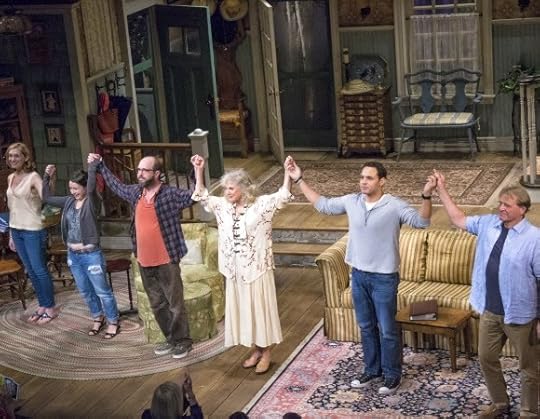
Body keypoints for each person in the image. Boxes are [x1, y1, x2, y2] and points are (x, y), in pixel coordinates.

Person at [286, 158, 437, 395]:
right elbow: (323, 205)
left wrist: (426, 195)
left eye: (369, 178)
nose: (363, 182)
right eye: (362, 177)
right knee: (366, 327)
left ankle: (392, 375)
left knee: (387, 330)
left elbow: (422, 222)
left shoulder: (394, 206)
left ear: (382, 181)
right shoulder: (352, 201)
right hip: (358, 275)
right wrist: (299, 179)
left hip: (384, 279)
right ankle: (372, 370)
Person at [433, 172, 539, 418]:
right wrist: (441, 189)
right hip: (490, 310)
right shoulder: (488, 224)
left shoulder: (535, 239)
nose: (501, 208)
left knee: (529, 366)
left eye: (507, 205)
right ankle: (500, 403)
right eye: (500, 203)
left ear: (522, 209)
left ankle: (529, 411)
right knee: (486, 357)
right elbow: (458, 219)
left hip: (521, 315)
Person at [87, 152, 203, 358]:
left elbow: (195, 196)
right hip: (144, 260)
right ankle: (171, 339)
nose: (140, 174)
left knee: (175, 305)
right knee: (157, 304)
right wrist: (101, 165)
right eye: (139, 170)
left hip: (167, 260)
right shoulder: (136, 193)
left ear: (156, 173)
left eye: (145, 170)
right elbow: (116, 186)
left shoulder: (169, 195)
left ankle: (183, 341)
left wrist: (198, 171)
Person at [191, 156, 293, 374]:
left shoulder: (261, 205)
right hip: (234, 271)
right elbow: (202, 196)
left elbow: (283, 196)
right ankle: (256, 349)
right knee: (246, 312)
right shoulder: (223, 207)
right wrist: (199, 171)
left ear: (244, 189)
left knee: (260, 312)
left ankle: (266, 352)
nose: (227, 192)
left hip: (257, 269)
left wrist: (287, 172)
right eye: (225, 188)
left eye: (231, 188)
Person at [42, 162, 120, 338]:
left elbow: (92, 188)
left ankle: (113, 321)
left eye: (76, 188)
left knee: (102, 291)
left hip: (91, 255)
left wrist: (92, 167)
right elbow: (46, 198)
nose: (73, 192)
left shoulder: (92, 202)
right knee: (85, 291)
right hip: (74, 256)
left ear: (85, 187)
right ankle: (97, 317)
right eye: (71, 188)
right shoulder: (69, 201)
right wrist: (47, 176)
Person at [5, 142, 58, 324]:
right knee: (30, 271)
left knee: (39, 269)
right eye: (10, 156)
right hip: (16, 230)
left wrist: (51, 178)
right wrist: (11, 234)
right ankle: (42, 304)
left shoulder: (33, 177)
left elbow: (47, 197)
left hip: (33, 230)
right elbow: (12, 208)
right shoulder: (10, 177)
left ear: (25, 157)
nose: (13, 159)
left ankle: (50, 308)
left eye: (16, 155)